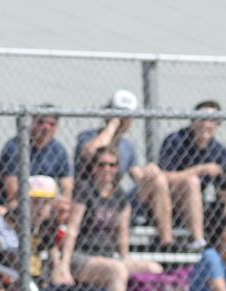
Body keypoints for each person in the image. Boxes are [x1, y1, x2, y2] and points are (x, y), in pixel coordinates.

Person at [75, 89, 179, 248]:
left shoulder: (127, 146)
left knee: (158, 180)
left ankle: (167, 241)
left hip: (117, 198)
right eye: (120, 115)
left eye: (127, 117)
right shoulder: (88, 137)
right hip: (90, 198)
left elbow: (137, 176)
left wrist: (151, 172)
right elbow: (93, 152)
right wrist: (113, 124)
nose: (125, 120)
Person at [61, 151, 162, 291]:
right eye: (101, 165)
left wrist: (125, 258)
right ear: (93, 168)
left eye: (112, 165)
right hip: (83, 257)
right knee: (117, 269)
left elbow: (123, 235)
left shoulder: (119, 196)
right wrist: (64, 266)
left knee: (154, 268)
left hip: (109, 257)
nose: (107, 169)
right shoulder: (85, 192)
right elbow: (72, 230)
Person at [158, 100, 226, 239]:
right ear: (193, 121)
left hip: (202, 204)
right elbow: (163, 177)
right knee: (192, 183)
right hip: (173, 201)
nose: (206, 124)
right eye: (202, 119)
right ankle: (198, 241)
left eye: (212, 120)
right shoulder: (175, 141)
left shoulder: (220, 151)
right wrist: (200, 170)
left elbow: (221, 191)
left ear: (218, 125)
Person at [0, 107, 73, 213]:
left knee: (64, 208)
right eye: (40, 122)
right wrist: (36, 201)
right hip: (20, 200)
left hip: (47, 201)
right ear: (32, 123)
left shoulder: (59, 149)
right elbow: (12, 191)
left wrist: (57, 200)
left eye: (52, 124)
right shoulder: (15, 147)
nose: (46, 127)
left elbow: (67, 187)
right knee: (14, 205)